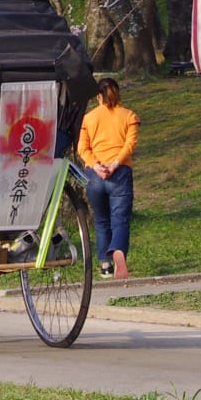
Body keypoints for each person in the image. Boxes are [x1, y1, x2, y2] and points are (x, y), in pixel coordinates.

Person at [77, 77, 139, 279]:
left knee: (101, 220)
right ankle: (119, 251)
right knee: (120, 220)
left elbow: (82, 148)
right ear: (118, 93)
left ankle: (105, 264)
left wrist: (96, 165)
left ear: (98, 96)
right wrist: (114, 164)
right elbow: (129, 145)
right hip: (119, 173)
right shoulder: (129, 116)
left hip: (94, 175)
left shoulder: (89, 118)